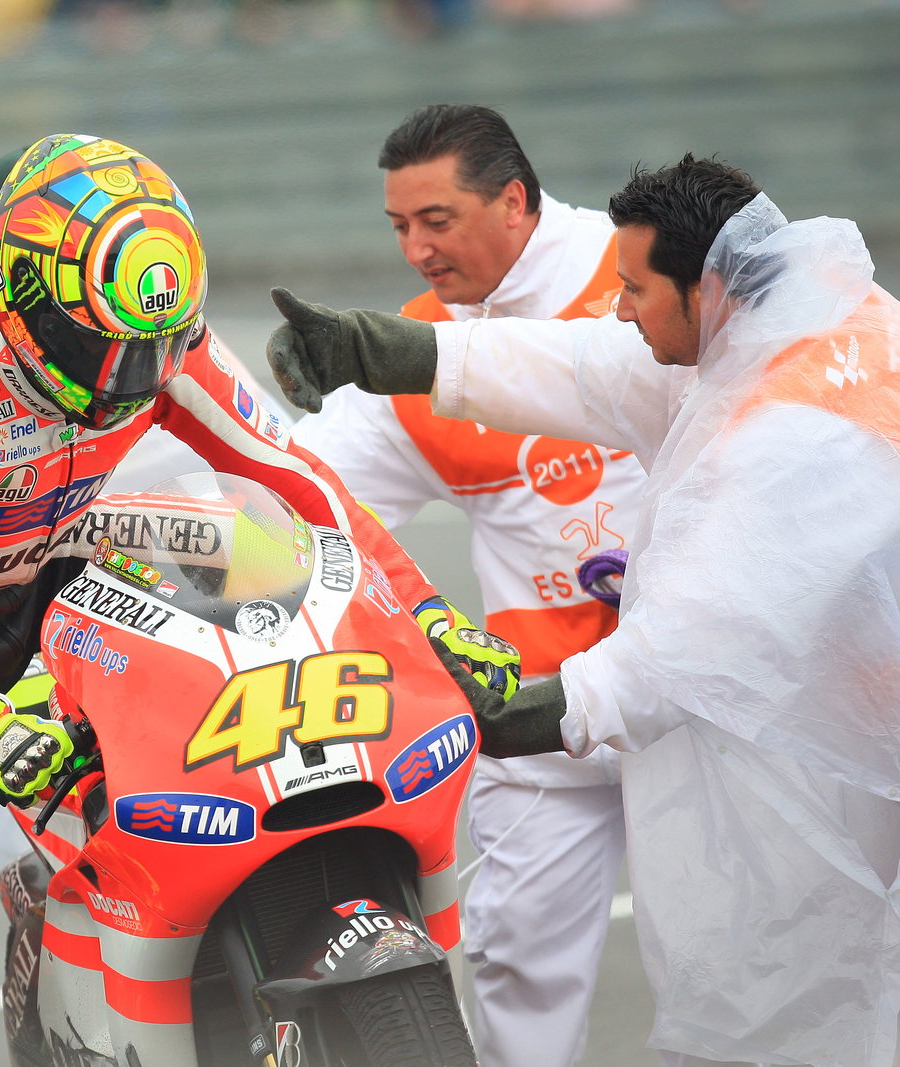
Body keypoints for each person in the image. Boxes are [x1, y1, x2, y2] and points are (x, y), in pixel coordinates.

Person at [0, 132, 520, 1066]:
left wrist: (432, 615)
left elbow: (296, 477)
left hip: (68, 551)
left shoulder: (151, 337)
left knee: (254, 555)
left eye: (155, 348)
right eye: (100, 347)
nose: (127, 380)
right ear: (23, 299)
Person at [266, 154, 900, 1067]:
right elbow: (594, 366)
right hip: (828, 725)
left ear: (708, 285)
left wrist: (528, 713)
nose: (621, 307)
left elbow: (695, 641)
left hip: (844, 750)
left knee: (805, 991)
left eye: (637, 288)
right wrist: (400, 351)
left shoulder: (790, 435)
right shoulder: (779, 331)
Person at [289, 104, 636, 1067]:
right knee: (514, 962)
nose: (417, 250)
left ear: (514, 201)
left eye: (436, 220)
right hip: (535, 718)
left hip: (693, 705)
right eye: (399, 227)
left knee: (735, 958)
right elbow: (303, 491)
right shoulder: (414, 344)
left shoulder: (645, 276)